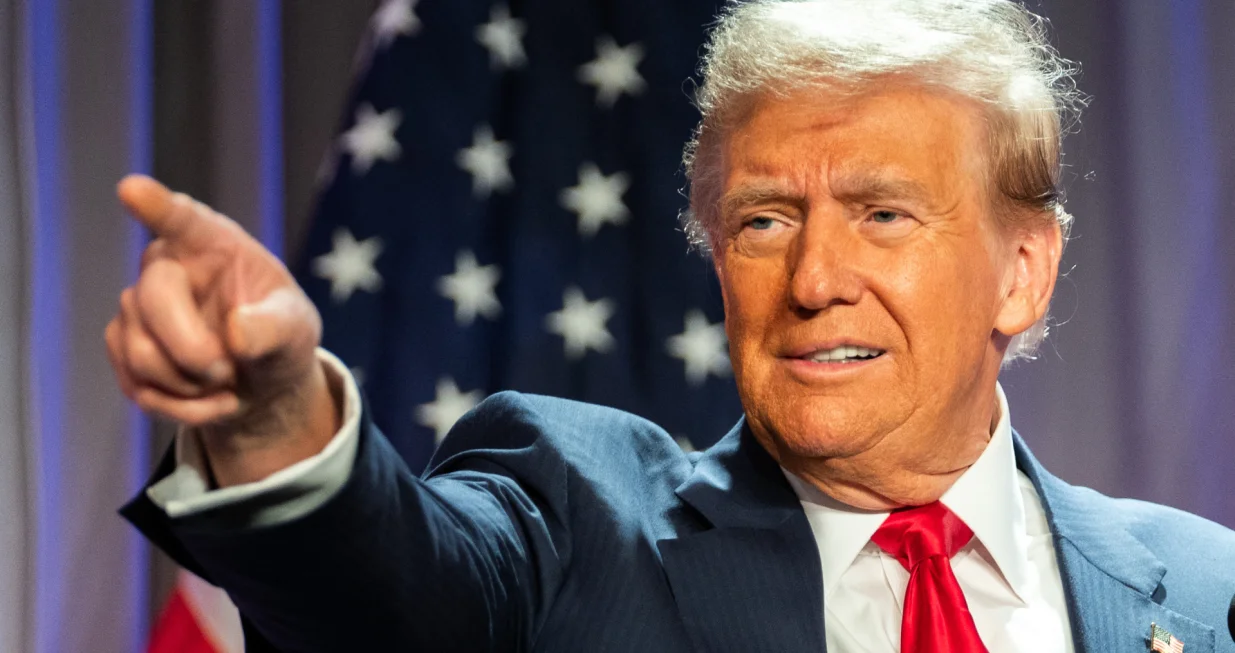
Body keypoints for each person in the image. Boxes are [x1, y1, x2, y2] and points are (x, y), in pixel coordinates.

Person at [110, 1, 1235, 651]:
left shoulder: (1204, 590)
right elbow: (394, 588)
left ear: (1022, 272)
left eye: (881, 214)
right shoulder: (573, 523)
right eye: (762, 219)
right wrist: (271, 417)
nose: (812, 277)